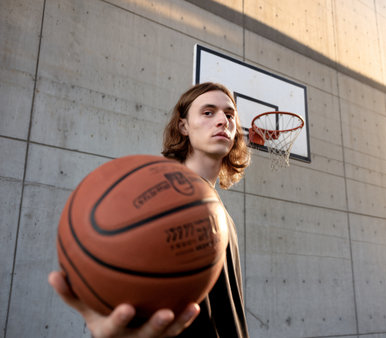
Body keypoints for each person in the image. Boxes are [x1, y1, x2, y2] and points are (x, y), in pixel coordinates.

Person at [48, 82, 251, 337]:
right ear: (183, 126)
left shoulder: (222, 216)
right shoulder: (154, 198)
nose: (223, 120)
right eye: (208, 112)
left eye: (229, 114)